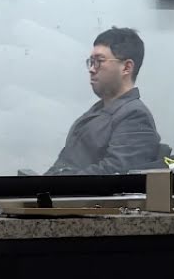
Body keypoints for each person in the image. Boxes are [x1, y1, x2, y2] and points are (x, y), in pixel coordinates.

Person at [45, 27, 162, 175]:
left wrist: (57, 181)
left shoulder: (135, 116)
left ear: (126, 67)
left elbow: (113, 173)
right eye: (91, 62)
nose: (92, 69)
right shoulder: (98, 110)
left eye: (99, 61)